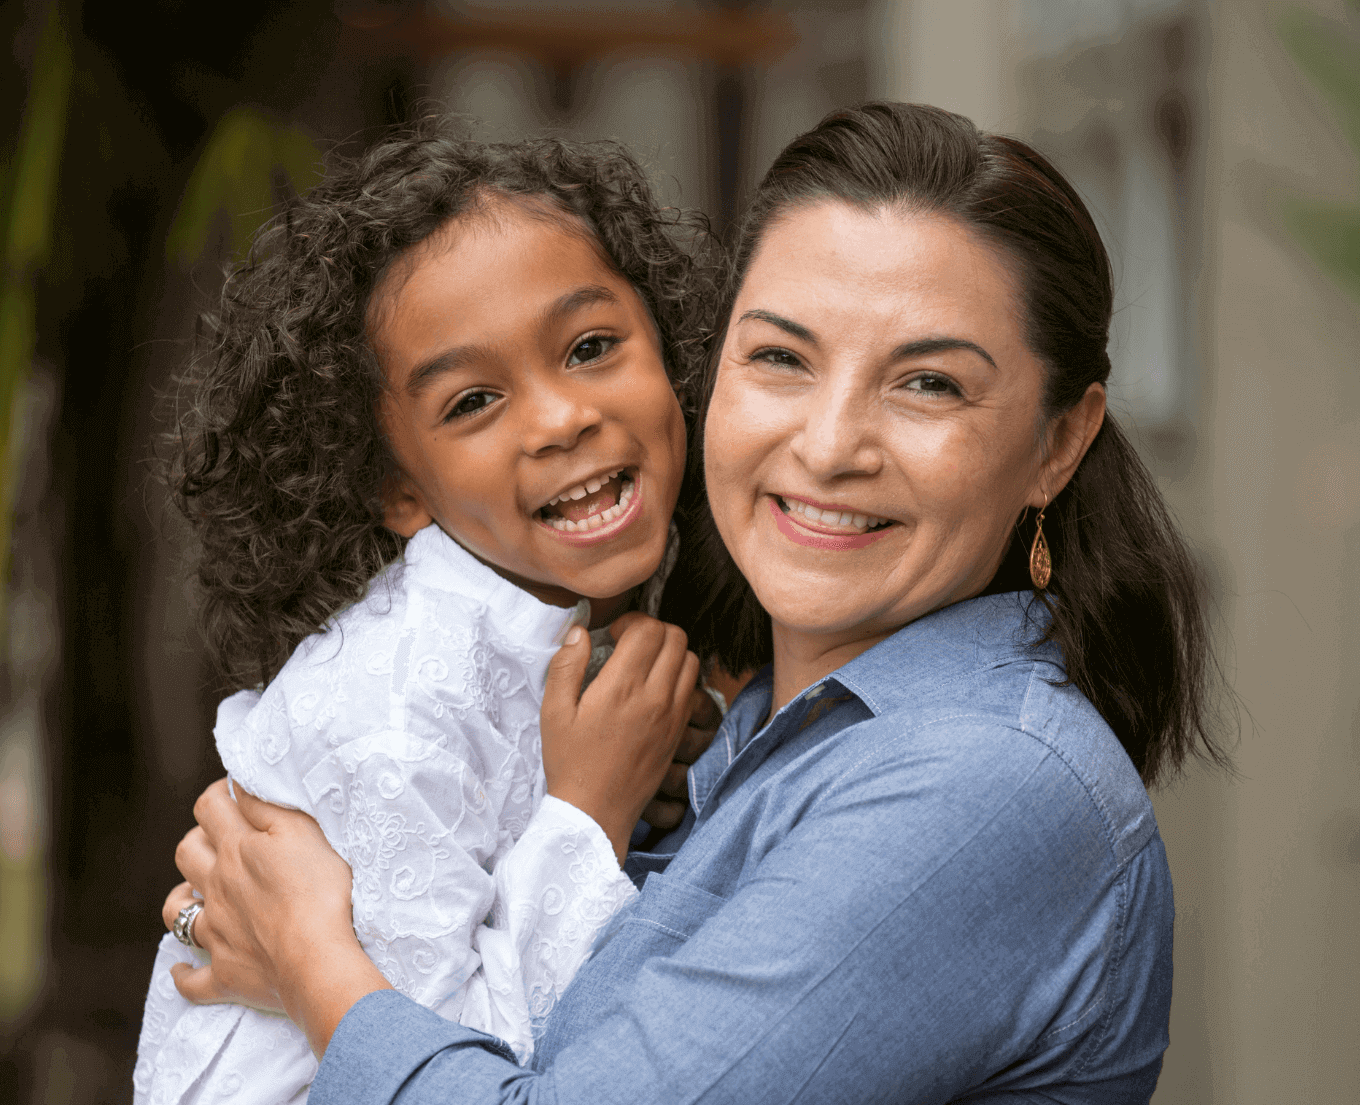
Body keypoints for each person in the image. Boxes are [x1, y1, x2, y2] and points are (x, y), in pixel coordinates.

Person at [163, 103, 1229, 1103]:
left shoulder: (986, 785)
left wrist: (315, 963)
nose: (826, 445)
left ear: (1057, 442)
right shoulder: (731, 728)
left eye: (927, 383)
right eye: (780, 358)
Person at [135, 127, 726, 1104]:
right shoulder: (400, 708)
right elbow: (440, 1063)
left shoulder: (568, 627)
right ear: (399, 490)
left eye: (589, 348)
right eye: (473, 401)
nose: (559, 418)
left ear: (669, 350)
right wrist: (587, 814)